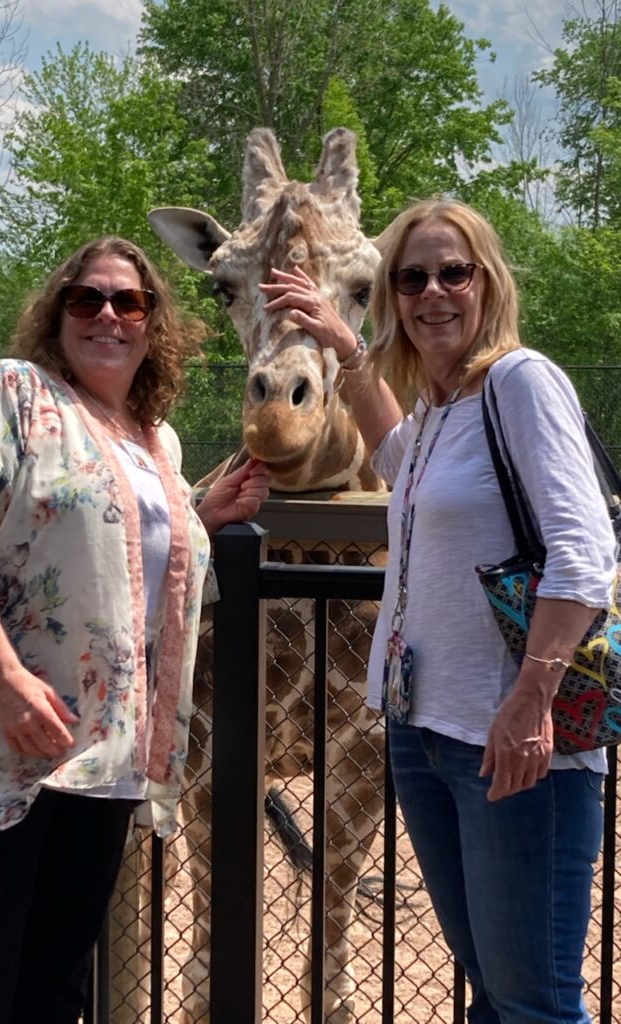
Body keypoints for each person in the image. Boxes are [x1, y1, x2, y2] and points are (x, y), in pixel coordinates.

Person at [0, 235, 270, 1024]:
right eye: (88, 299)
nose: (108, 314)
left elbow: (133, 578)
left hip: (101, 763)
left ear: (153, 325)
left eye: (129, 301)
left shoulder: (155, 440)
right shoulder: (7, 393)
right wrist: (8, 683)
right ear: (58, 314)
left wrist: (196, 521)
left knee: (53, 991)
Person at [259, 198, 617, 1024]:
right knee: (491, 988)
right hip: (426, 735)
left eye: (452, 272)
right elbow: (397, 458)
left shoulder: (522, 384)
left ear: (487, 282)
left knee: (535, 1003)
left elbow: (585, 553)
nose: (432, 293)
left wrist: (530, 703)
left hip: (516, 746)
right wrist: (344, 345)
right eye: (411, 277)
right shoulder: (444, 409)